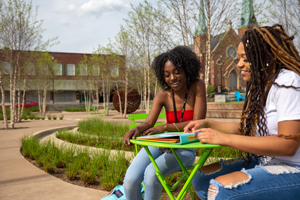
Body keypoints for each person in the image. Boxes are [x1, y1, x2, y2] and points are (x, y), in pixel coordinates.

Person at [184, 24, 300, 200]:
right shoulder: (260, 86)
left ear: (266, 57)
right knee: (200, 178)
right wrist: (208, 124)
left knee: (221, 189)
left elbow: (288, 145)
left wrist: (224, 139)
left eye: (245, 58)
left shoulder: (288, 82)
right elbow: (248, 129)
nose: (239, 64)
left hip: (294, 169)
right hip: (266, 161)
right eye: (239, 58)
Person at [123, 45, 207, 200]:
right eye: (167, 75)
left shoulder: (197, 86)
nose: (172, 78)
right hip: (162, 144)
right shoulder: (162, 95)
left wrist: (165, 127)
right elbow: (149, 122)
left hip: (186, 149)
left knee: (151, 174)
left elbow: (198, 122)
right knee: (130, 180)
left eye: (177, 72)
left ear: (187, 69)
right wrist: (137, 129)